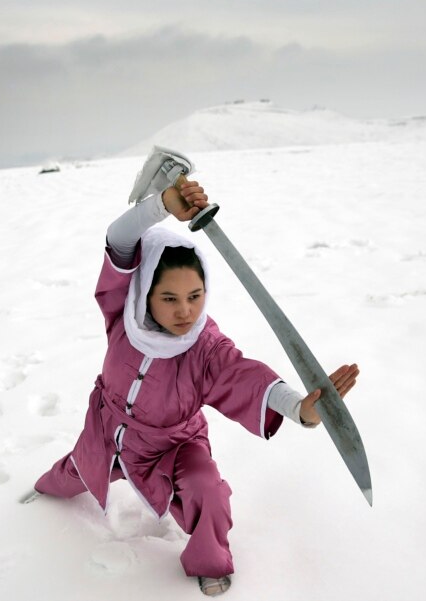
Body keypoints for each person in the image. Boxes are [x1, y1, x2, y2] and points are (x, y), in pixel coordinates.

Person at [32, 177, 361, 597]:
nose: (185, 311)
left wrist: (301, 409)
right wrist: (162, 205)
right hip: (107, 431)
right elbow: (118, 240)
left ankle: (208, 564)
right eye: (169, 298)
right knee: (71, 471)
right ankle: (42, 492)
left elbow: (249, 378)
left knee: (208, 492)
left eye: (195, 295)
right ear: (145, 294)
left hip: (173, 446)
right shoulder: (122, 315)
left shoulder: (206, 349)